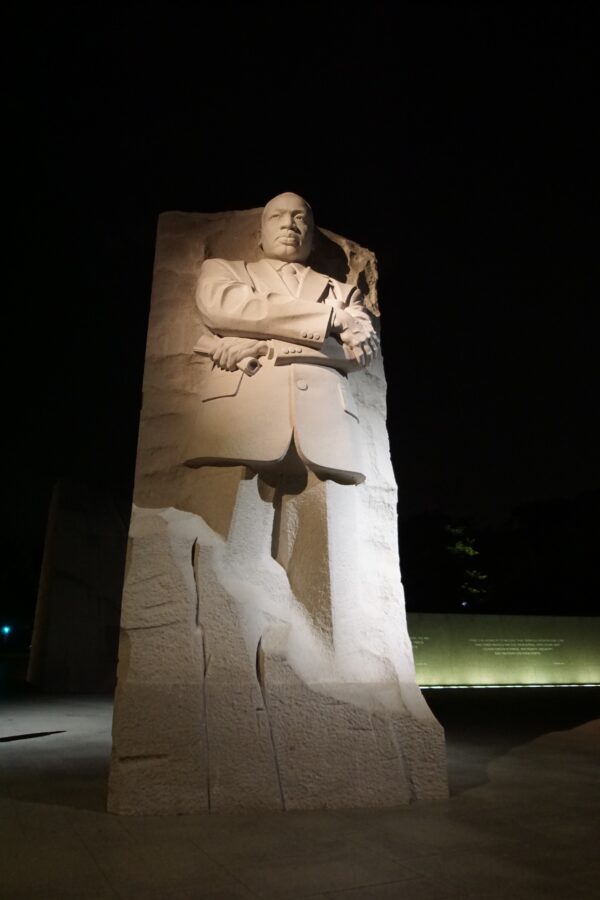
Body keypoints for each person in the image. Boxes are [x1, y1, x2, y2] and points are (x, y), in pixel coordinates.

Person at [187, 192, 379, 485]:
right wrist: (330, 319)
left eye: (300, 218)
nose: (289, 224)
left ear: (312, 239)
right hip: (237, 419)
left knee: (325, 528)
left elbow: (360, 353)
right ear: (259, 235)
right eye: (277, 216)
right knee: (218, 526)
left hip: (328, 428)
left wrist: (268, 346)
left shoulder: (345, 292)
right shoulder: (225, 271)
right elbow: (225, 308)